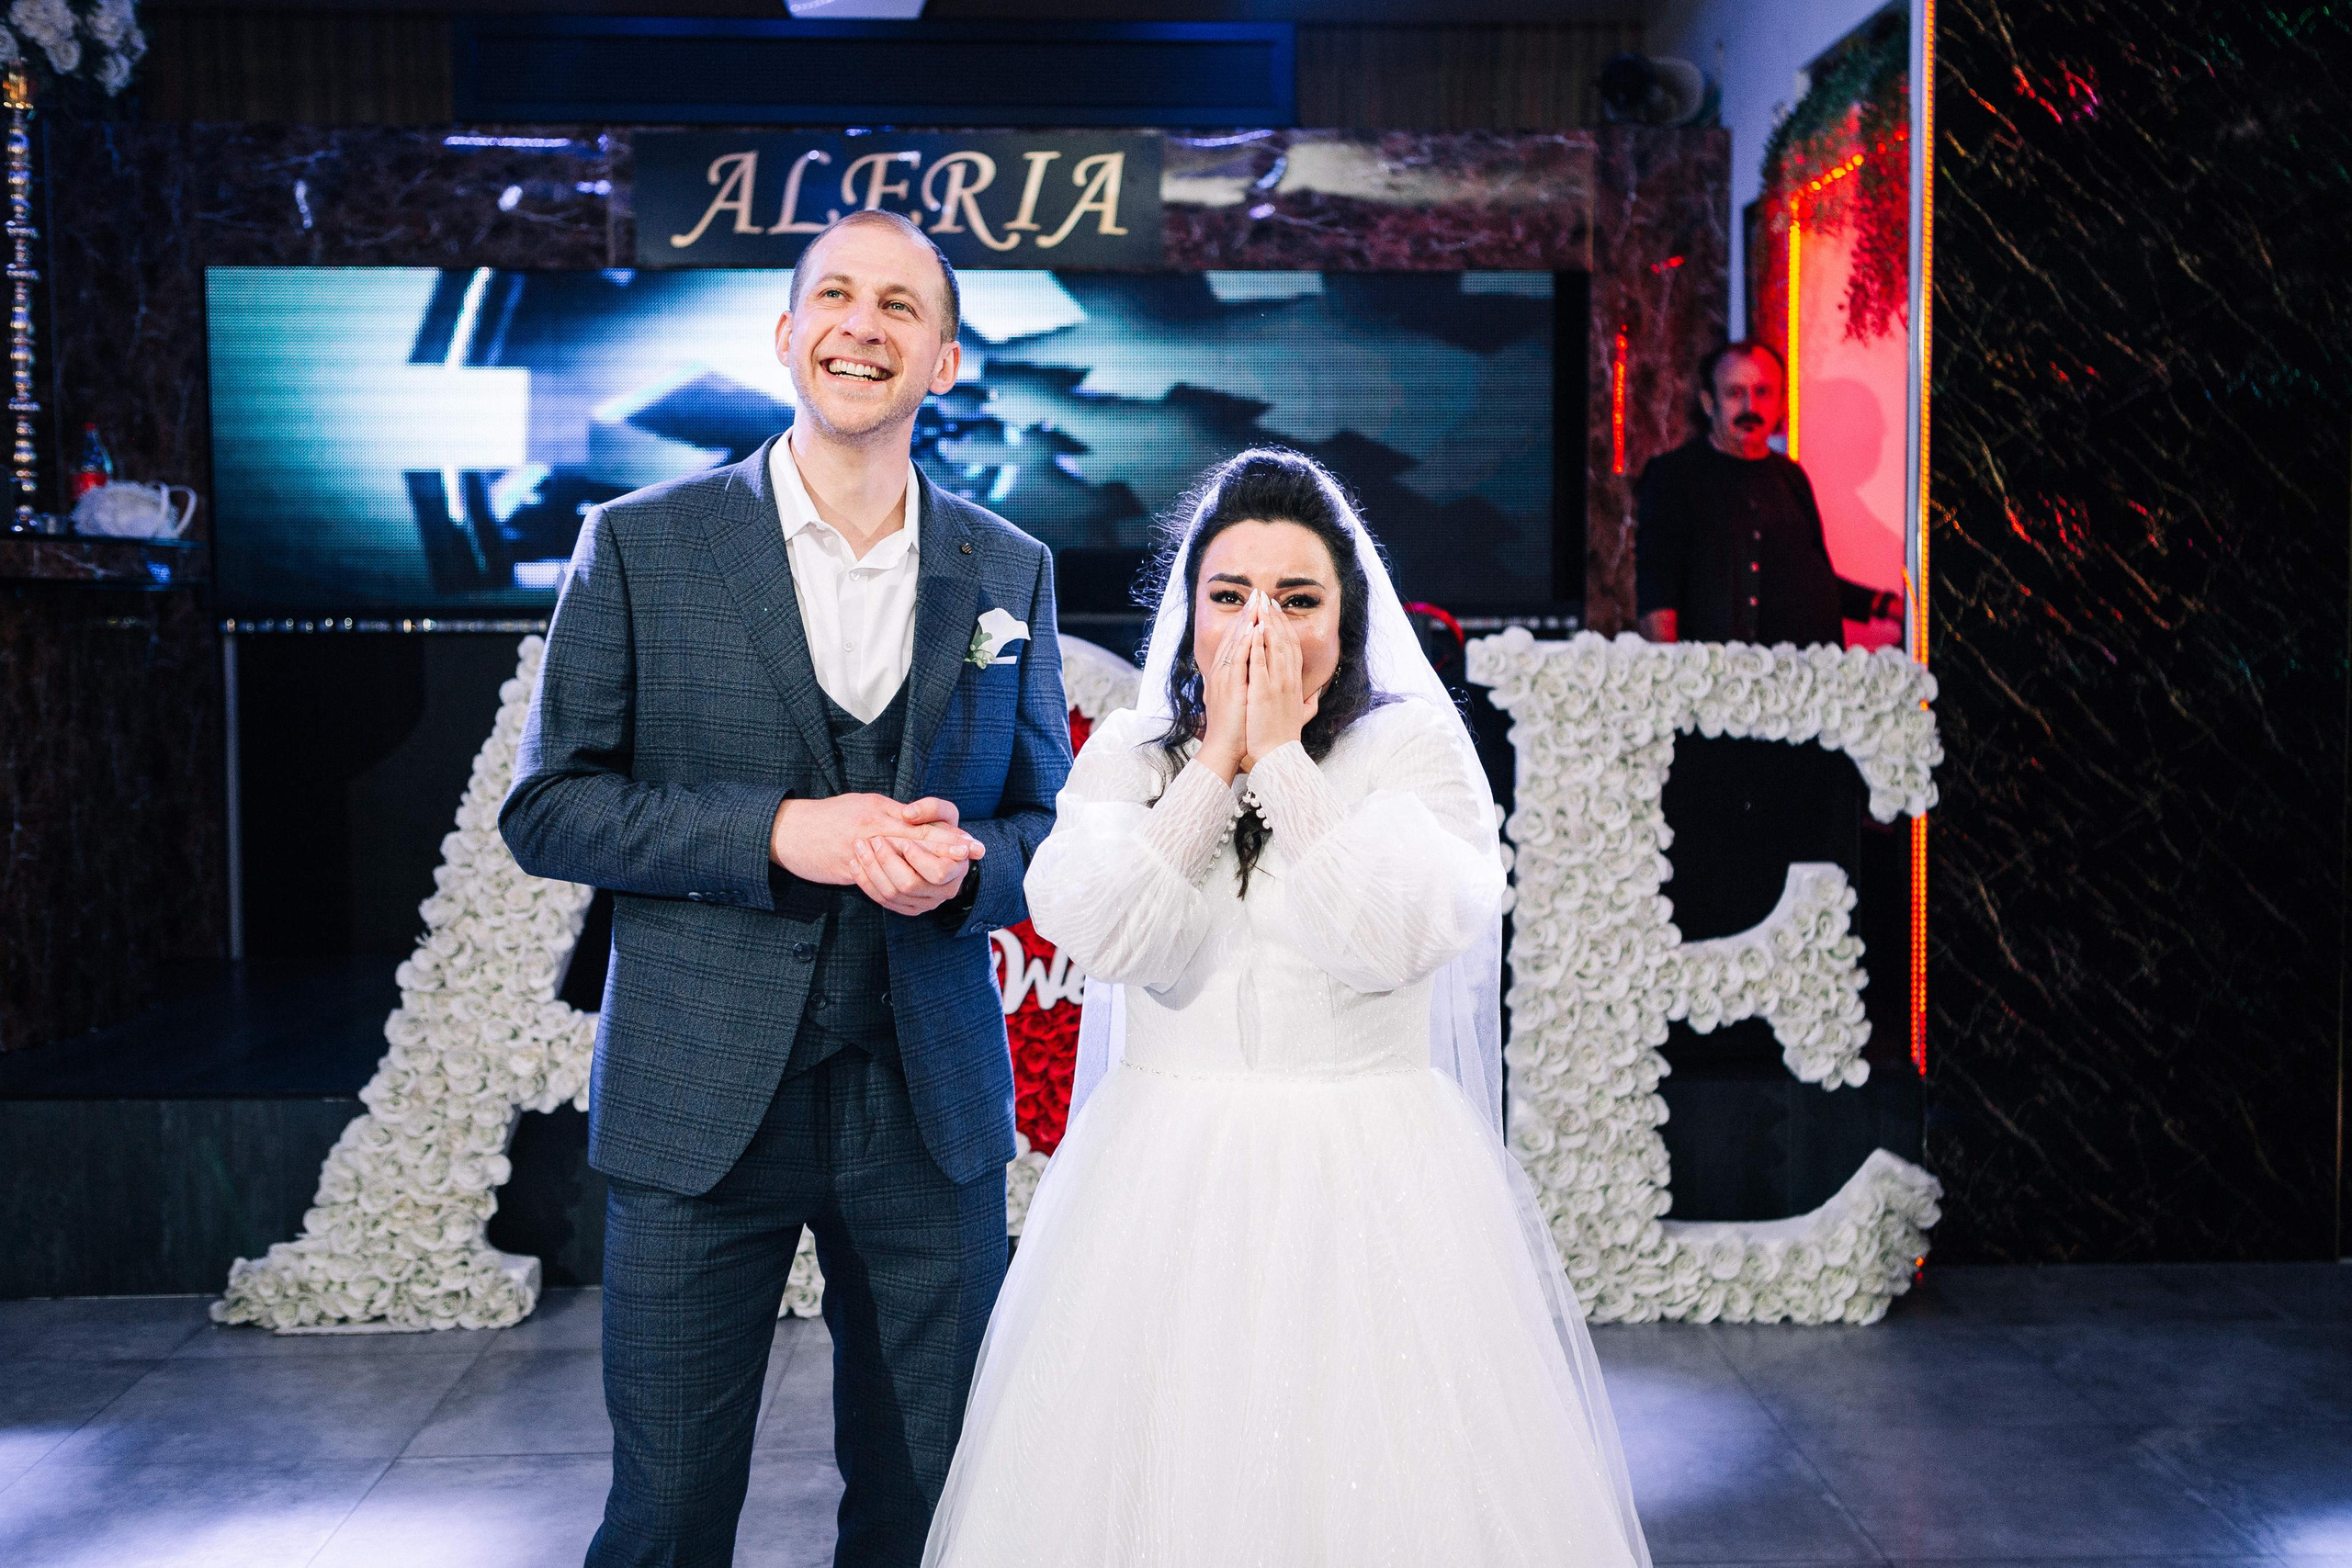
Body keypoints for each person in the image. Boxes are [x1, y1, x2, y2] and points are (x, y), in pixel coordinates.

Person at [921, 449, 1652, 1568]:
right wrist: (1216, 762)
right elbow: (1113, 933)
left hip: (1370, 1168)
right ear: (1192, 613)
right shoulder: (1126, 754)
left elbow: (1390, 938)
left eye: (1298, 599)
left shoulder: (1406, 748)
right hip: (1159, 1171)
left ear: (1347, 622)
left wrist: (1284, 764)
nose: (1260, 623)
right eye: (1230, 596)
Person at [500, 209, 1071, 1568]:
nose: (860, 326)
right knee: (669, 1514)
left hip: (927, 1100)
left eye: (899, 307)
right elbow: (550, 803)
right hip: (700, 1101)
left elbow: (1048, 820)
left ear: (942, 360)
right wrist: (780, 832)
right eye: (835, 297)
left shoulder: (1010, 568)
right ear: (786, 333)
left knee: (933, 1502)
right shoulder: (640, 544)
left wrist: (974, 865)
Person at [1634, 341, 1901, 645]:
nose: (1751, 407)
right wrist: (1671, 675)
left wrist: (1885, 606)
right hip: (1724, 682)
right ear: (1709, 404)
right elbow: (1657, 587)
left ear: (1781, 404)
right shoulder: (1673, 475)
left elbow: (1810, 582)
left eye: (1763, 392)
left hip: (1803, 679)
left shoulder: (1791, 477)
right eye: (1735, 393)